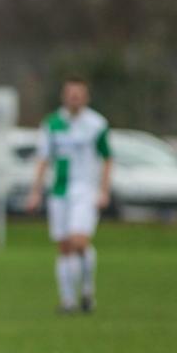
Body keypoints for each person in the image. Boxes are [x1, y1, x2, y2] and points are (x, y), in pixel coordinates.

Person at [26, 76, 112, 313]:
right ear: (64, 96)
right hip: (59, 191)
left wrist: (104, 190)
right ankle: (68, 301)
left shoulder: (97, 124)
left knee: (79, 242)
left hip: (85, 190)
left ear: (86, 97)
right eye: (70, 93)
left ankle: (87, 289)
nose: (74, 98)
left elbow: (107, 158)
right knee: (64, 247)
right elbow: (43, 159)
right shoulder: (52, 123)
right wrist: (35, 191)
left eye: (79, 94)